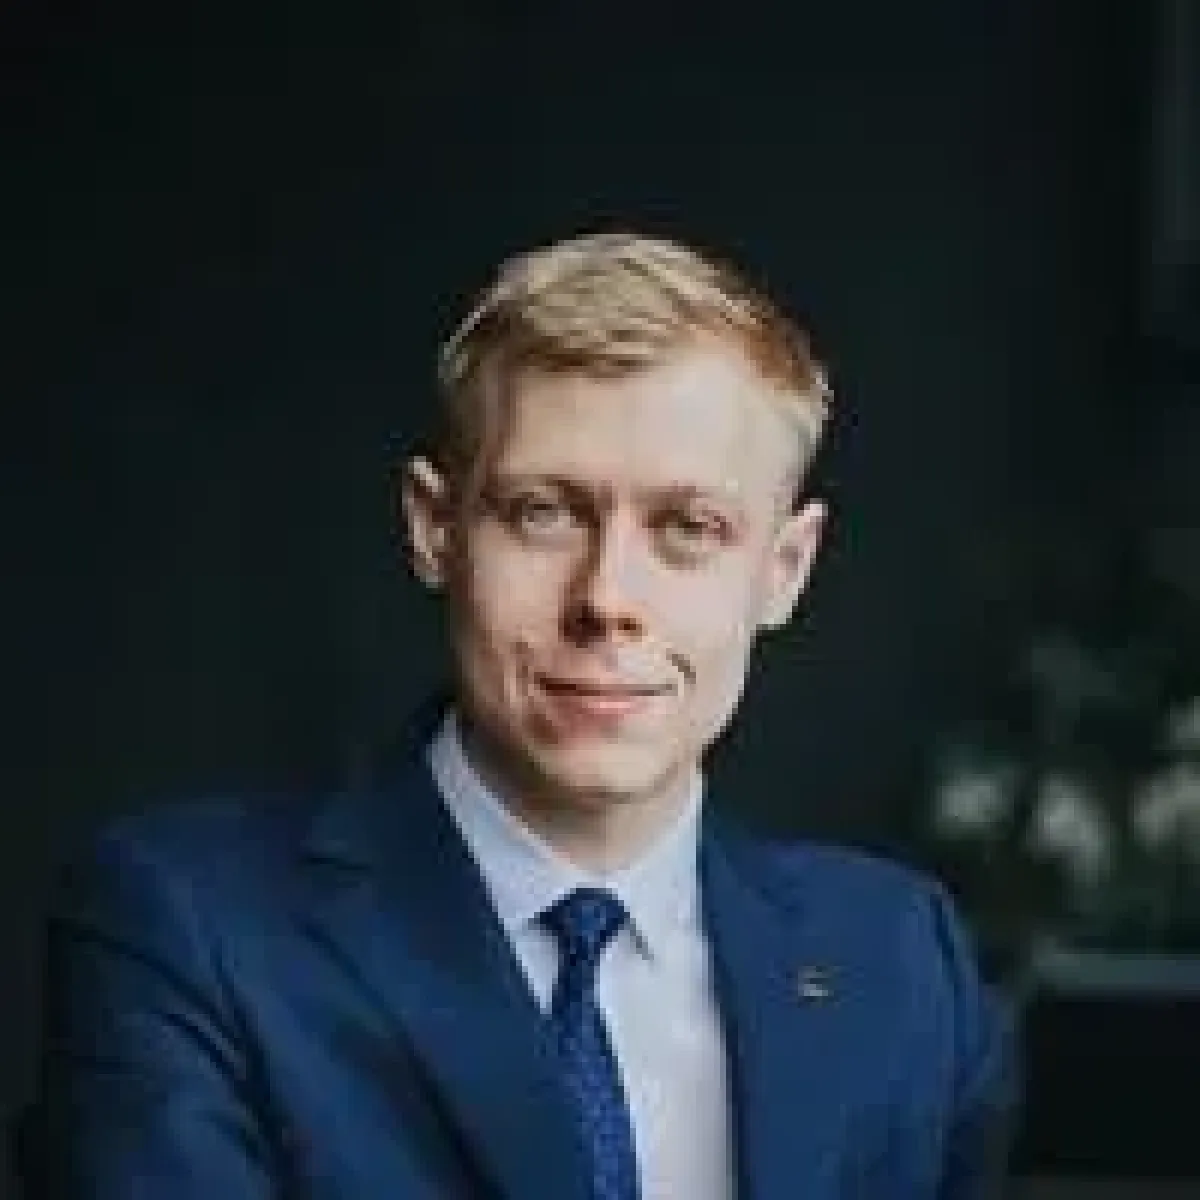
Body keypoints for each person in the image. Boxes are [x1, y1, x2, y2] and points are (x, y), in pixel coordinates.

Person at [25, 231, 1017, 1199]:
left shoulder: (898, 962)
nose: (607, 597)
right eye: (544, 513)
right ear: (434, 528)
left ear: (785, 569)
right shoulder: (189, 930)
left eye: (689, 527)